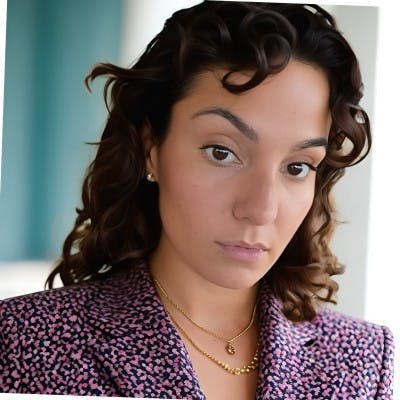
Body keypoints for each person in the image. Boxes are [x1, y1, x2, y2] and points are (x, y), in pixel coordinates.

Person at [0, 1, 394, 399]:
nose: (261, 209)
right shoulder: (23, 340)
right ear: (151, 146)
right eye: (222, 152)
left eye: (296, 167)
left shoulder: (362, 359)